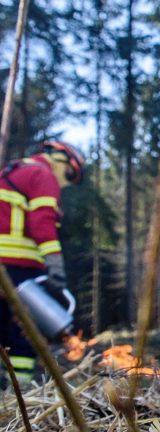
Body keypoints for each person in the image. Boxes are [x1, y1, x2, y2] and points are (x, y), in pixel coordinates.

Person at [0, 141, 85, 386]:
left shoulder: (11, 171)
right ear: (60, 160)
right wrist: (55, 265)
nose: (67, 182)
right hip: (19, 268)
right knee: (24, 332)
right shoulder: (42, 175)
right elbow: (42, 223)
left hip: (8, 267)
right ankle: (20, 395)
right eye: (70, 174)